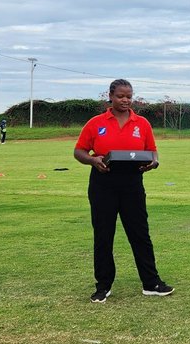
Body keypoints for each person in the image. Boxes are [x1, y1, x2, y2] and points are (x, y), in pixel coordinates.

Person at [74, 79, 173, 303]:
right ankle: (103, 285)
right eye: (120, 96)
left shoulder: (142, 123)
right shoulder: (95, 123)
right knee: (103, 236)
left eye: (129, 96)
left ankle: (151, 283)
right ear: (110, 96)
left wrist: (153, 163)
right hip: (103, 183)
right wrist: (92, 160)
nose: (125, 100)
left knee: (140, 234)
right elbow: (79, 151)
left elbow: (152, 152)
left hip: (132, 184)